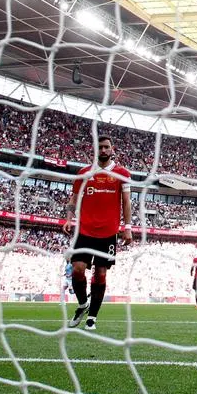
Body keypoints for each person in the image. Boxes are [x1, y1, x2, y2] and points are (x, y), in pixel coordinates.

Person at [64, 135, 133, 331]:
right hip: (84, 230)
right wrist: (69, 218)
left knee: (101, 274)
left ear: (112, 149)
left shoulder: (122, 173)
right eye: (100, 147)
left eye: (106, 147)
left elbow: (126, 202)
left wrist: (128, 228)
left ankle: (92, 317)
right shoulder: (84, 173)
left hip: (108, 233)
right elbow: (74, 198)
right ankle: (82, 304)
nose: (103, 150)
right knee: (77, 270)